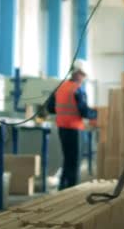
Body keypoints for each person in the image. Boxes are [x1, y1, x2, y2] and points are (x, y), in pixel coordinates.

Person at [47, 59, 97, 190]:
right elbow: (84, 111)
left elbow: (50, 107)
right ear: (78, 73)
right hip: (74, 129)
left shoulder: (61, 87)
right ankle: (71, 191)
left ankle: (62, 189)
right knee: (74, 163)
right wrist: (97, 114)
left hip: (62, 128)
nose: (84, 79)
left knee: (67, 160)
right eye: (83, 75)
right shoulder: (77, 89)